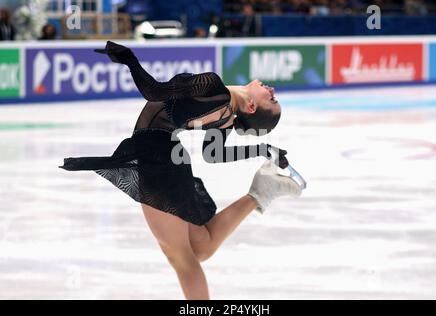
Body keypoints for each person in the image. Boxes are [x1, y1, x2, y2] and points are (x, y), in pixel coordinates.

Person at [59, 41, 302, 299]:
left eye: (271, 98)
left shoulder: (215, 89)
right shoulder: (227, 115)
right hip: (168, 158)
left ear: (251, 107)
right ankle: (261, 191)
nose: (272, 90)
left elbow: (154, 92)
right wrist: (262, 150)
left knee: (182, 258)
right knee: (201, 247)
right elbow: (213, 154)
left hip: (158, 159)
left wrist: (129, 58)